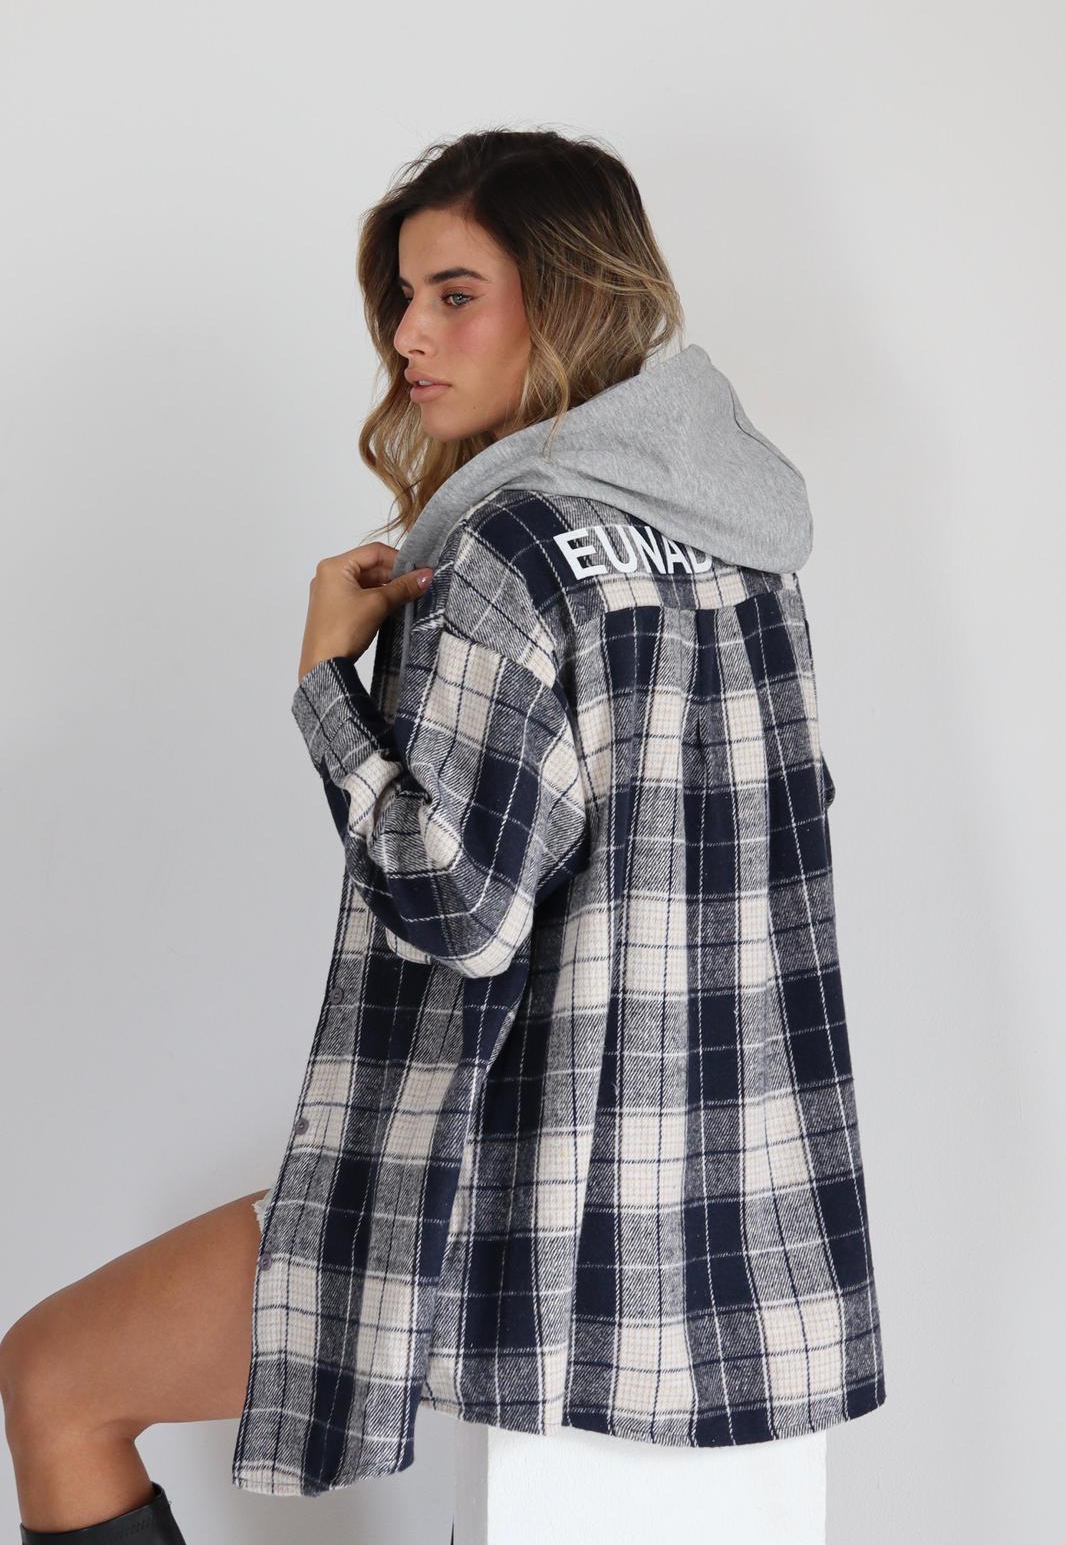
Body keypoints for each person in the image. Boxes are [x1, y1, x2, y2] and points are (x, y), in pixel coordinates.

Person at [0, 127, 885, 1539]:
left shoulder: (503, 549)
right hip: (740, 1230)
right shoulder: (749, 551)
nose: (409, 335)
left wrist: (325, 686)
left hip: (515, 1204)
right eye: (403, 298)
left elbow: (460, 908)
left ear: (570, 295)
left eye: (454, 294)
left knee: (54, 1378)